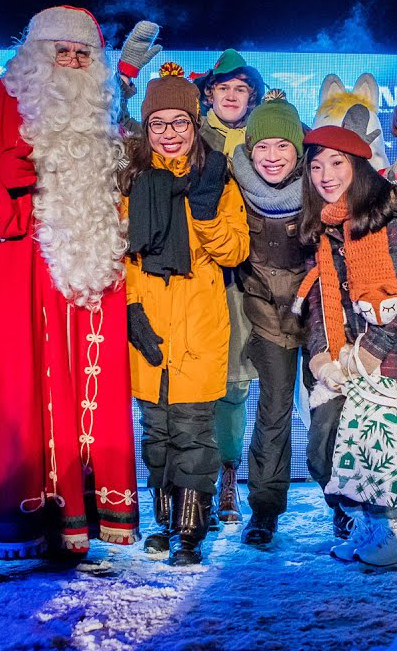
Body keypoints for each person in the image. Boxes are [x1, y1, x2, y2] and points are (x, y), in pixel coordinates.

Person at [0, 5, 139, 593]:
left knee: (72, 402)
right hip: (1, 285)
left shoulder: (98, 117)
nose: (70, 63)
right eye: (59, 52)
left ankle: (64, 533)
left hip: (74, 290)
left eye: (81, 55)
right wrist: (5, 171)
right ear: (34, 56)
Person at [119, 62, 250, 565]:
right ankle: (163, 524)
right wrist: (132, 310)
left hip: (200, 325)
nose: (169, 134)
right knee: (156, 433)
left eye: (180, 122)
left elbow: (234, 250)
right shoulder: (132, 180)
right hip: (147, 324)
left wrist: (205, 209)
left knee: (194, 432)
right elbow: (123, 256)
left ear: (196, 125)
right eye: (159, 123)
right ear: (147, 128)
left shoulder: (215, 175)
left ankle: (191, 532)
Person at [296, 124, 397, 567]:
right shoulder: (326, 226)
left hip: (386, 358)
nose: (326, 174)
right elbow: (319, 296)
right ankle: (365, 526)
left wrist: (373, 351)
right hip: (346, 355)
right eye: (316, 165)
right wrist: (322, 355)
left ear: (359, 166)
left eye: (337, 163)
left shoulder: (389, 217)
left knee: (379, 451)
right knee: (323, 449)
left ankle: (388, 534)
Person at [231, 90, 313, 545]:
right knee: (275, 409)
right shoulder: (234, 182)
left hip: (319, 314)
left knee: (328, 414)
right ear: (249, 149)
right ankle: (264, 509)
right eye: (262, 146)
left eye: (282, 145)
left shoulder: (319, 185)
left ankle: (344, 506)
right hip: (266, 312)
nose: (272, 156)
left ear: (298, 149)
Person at [192, 50, 265, 525]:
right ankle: (189, 485)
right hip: (195, 273)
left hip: (247, 278)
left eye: (241, 89)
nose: (233, 96)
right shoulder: (191, 136)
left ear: (252, 97)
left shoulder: (268, 139)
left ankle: (228, 479)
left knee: (235, 385)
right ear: (209, 94)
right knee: (191, 384)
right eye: (224, 88)